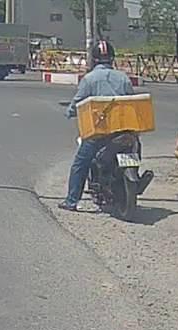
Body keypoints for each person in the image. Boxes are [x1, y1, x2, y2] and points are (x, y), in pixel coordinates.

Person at [58, 40, 135, 212]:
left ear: (93, 59)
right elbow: (131, 101)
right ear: (112, 58)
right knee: (133, 148)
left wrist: (69, 112)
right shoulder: (123, 78)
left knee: (80, 164)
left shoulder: (89, 79)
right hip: (123, 130)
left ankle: (71, 201)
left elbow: (78, 102)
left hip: (99, 133)